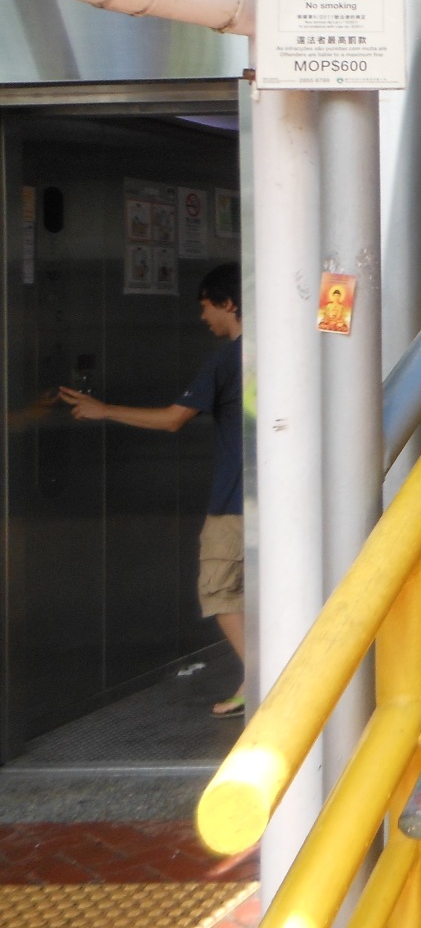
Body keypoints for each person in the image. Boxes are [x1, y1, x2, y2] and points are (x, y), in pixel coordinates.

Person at [59, 264, 247, 717]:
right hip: (276, 495)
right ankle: (262, 678)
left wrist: (104, 410)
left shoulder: (227, 360)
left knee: (219, 589)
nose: (203, 318)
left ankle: (267, 679)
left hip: (235, 501)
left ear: (227, 303)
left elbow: (172, 419)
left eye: (206, 306)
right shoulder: (277, 351)